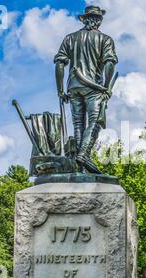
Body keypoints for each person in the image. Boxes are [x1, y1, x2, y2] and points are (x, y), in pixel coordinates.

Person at [54, 5, 118, 173]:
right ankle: (83, 154)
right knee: (95, 122)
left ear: (85, 19)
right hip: (93, 88)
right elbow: (110, 63)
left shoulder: (70, 38)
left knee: (78, 124)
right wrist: (106, 85)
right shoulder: (105, 40)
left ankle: (79, 164)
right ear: (98, 20)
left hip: (73, 86)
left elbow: (60, 63)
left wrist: (60, 90)